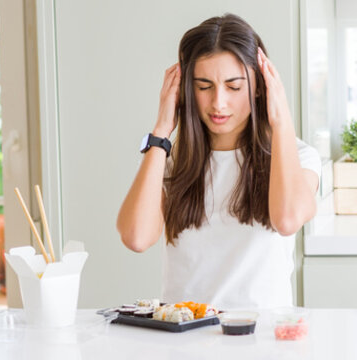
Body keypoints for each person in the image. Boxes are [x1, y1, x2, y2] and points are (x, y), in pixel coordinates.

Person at [116, 13, 321, 309]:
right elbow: (136, 237)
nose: (218, 103)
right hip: (186, 339)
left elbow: (287, 220)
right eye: (203, 86)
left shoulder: (298, 156)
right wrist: (161, 131)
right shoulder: (167, 160)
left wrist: (282, 122)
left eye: (234, 86)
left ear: (260, 86)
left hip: (261, 340)